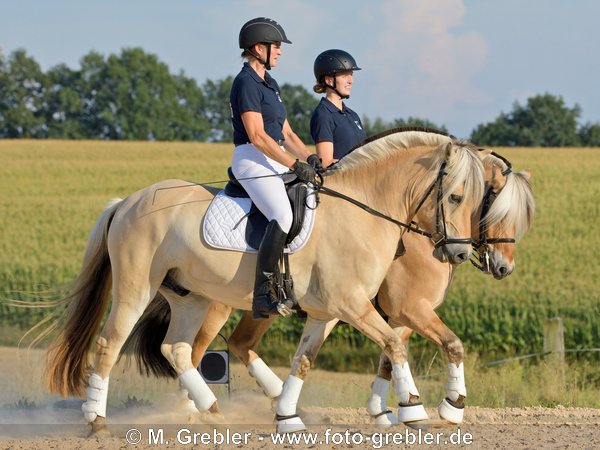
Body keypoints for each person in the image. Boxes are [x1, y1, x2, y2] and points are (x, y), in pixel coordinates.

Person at [230, 17, 322, 319]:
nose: (280, 52)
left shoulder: (270, 83)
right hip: (251, 158)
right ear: (258, 48)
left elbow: (288, 134)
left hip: (274, 156)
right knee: (282, 214)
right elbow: (257, 137)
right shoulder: (245, 82)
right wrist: (294, 163)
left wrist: (310, 159)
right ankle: (263, 294)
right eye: (276, 46)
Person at [310, 49, 367, 167]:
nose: (351, 81)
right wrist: (360, 166)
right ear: (329, 80)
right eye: (345, 75)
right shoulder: (323, 115)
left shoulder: (352, 115)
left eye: (351, 75)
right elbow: (326, 163)